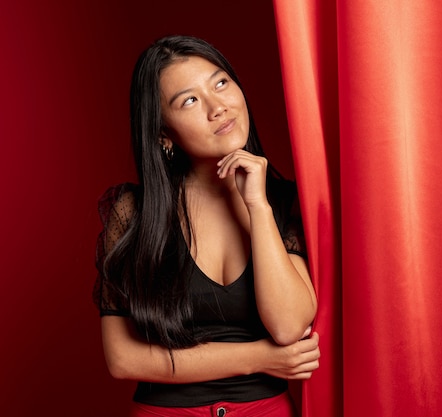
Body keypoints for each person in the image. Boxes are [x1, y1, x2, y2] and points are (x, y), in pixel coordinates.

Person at [93, 35, 319, 417]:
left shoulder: (285, 202)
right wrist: (258, 357)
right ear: (164, 134)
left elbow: (289, 327)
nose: (219, 107)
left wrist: (257, 206)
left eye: (221, 83)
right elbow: (123, 359)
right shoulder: (133, 212)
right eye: (190, 100)